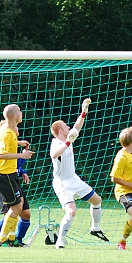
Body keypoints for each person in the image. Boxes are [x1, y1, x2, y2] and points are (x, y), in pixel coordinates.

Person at [49, 98, 109, 249]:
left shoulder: (68, 137)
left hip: (74, 179)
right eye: (65, 126)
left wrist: (84, 111)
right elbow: (55, 154)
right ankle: (60, 241)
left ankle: (95, 228)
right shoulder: (56, 142)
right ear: (60, 131)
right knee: (72, 211)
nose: (68, 126)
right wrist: (68, 143)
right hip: (62, 183)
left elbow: (77, 126)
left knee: (97, 200)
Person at [0, 105, 35, 248]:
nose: (22, 113)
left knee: (20, 207)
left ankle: (11, 239)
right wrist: (22, 154)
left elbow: (6, 145)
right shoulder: (6, 133)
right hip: (3, 176)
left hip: (11, 174)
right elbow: (1, 154)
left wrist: (19, 143)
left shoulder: (11, 132)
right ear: (14, 116)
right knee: (15, 208)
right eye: (20, 112)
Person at [0, 157, 31, 247]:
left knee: (26, 214)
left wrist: (22, 172)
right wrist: (23, 155)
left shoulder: (15, 146)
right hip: (4, 182)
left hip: (14, 181)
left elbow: (15, 164)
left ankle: (17, 241)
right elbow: (5, 160)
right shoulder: (4, 146)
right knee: (10, 213)